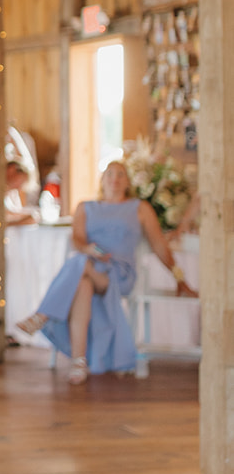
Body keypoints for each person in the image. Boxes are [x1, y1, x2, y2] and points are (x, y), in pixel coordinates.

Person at [17, 159, 197, 382]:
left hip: (118, 274)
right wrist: (89, 249)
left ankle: (42, 315)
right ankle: (78, 363)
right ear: (102, 180)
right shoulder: (85, 207)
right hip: (90, 268)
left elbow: (160, 245)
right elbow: (78, 239)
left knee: (79, 262)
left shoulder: (140, 208)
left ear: (128, 181)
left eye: (121, 174)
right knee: (82, 281)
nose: (115, 179)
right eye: (110, 174)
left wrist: (179, 278)